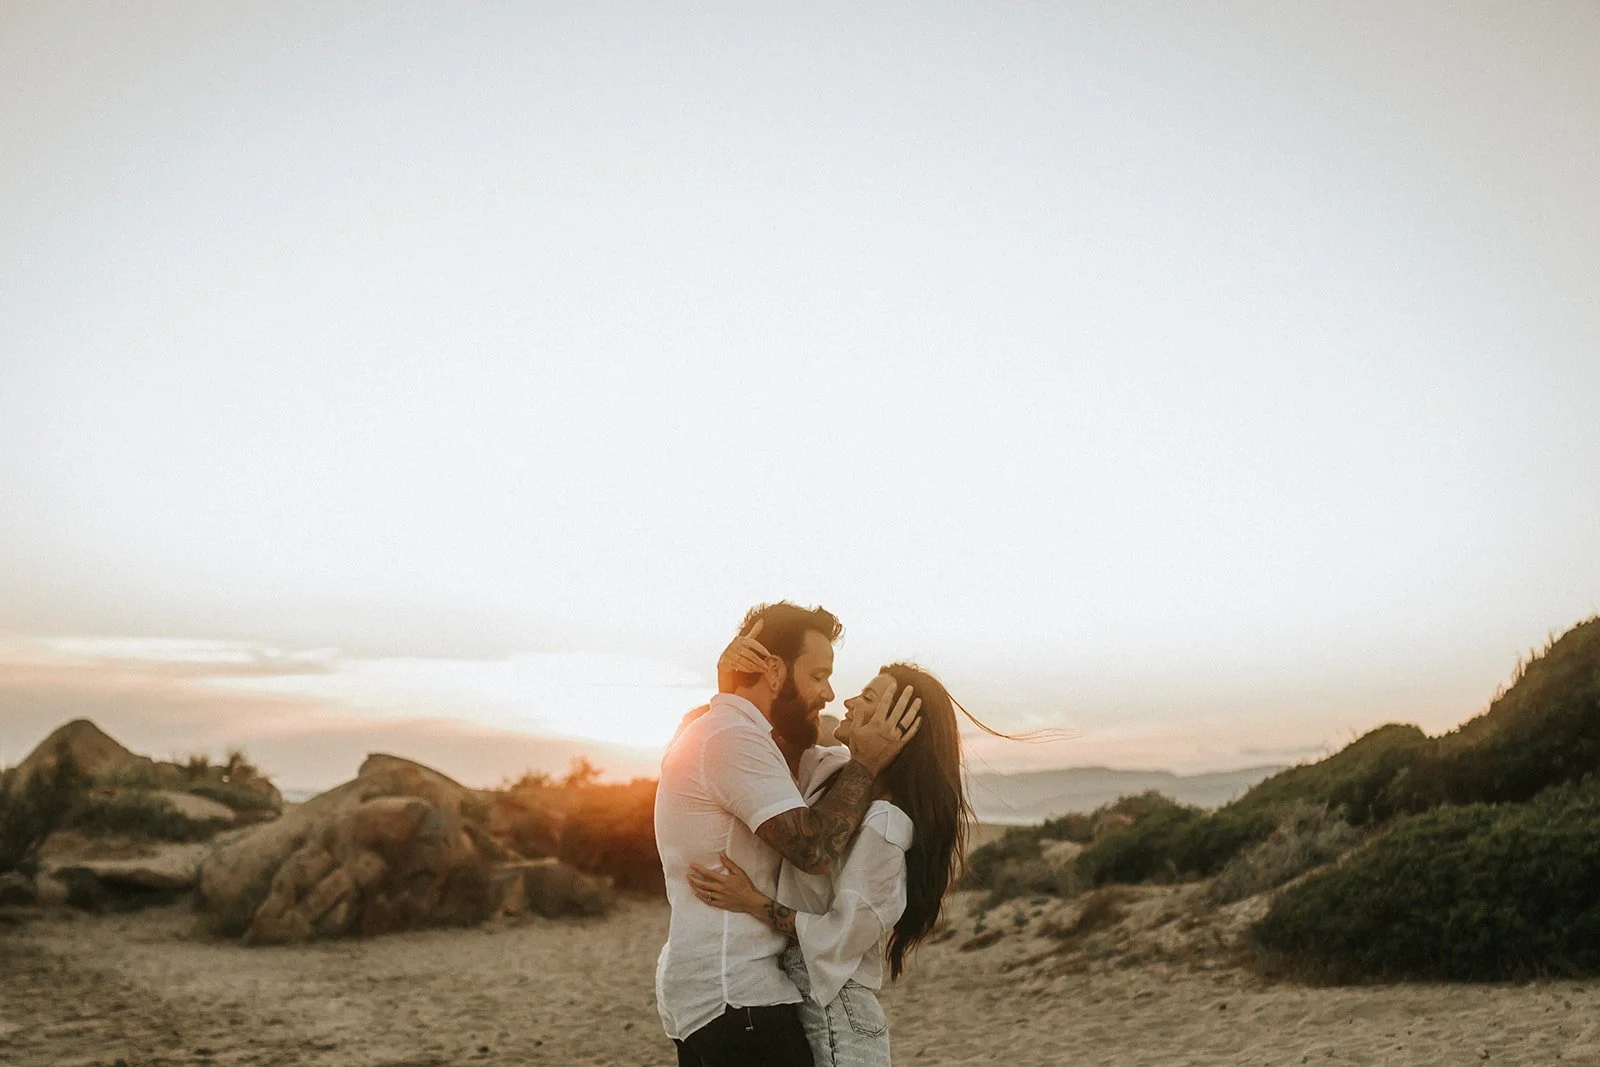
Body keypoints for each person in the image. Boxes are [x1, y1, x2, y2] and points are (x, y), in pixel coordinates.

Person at [654, 602, 923, 1067]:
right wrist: (867, 761)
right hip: (737, 998)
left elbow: (791, 755)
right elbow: (814, 849)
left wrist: (732, 688)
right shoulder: (732, 737)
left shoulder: (739, 736)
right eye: (818, 676)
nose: (829, 693)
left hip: (720, 998)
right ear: (775, 670)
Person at [688, 650, 976, 1067]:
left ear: (900, 728)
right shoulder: (832, 773)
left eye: (869, 699)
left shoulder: (886, 825)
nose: (849, 702)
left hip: (838, 1014)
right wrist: (729, 681)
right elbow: (758, 743)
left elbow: (842, 936)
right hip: (806, 997)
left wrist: (753, 902)